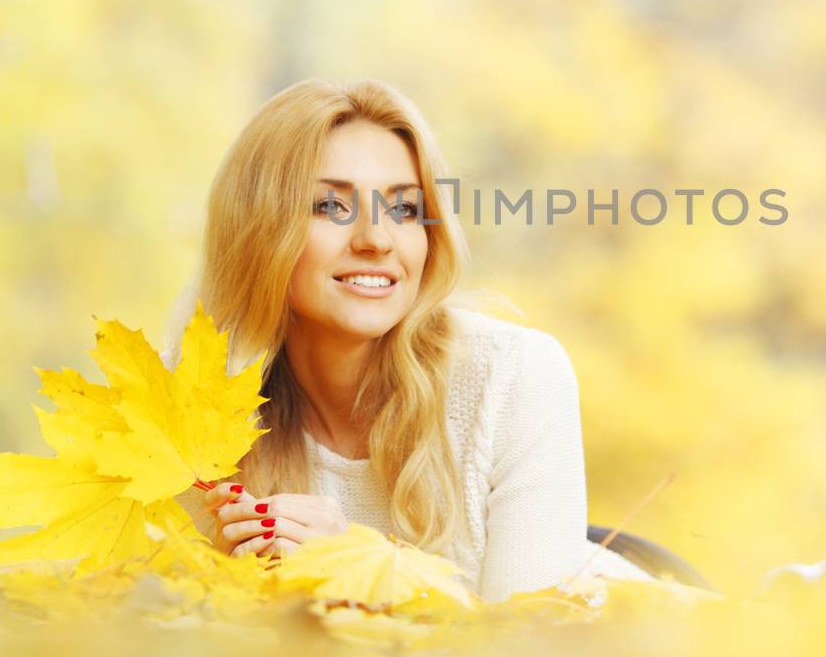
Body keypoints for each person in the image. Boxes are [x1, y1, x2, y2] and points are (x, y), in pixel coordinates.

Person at [159, 78, 654, 603]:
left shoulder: (514, 376)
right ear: (258, 230)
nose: (376, 239)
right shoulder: (192, 408)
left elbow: (532, 652)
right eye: (330, 206)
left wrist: (353, 567)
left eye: (404, 209)